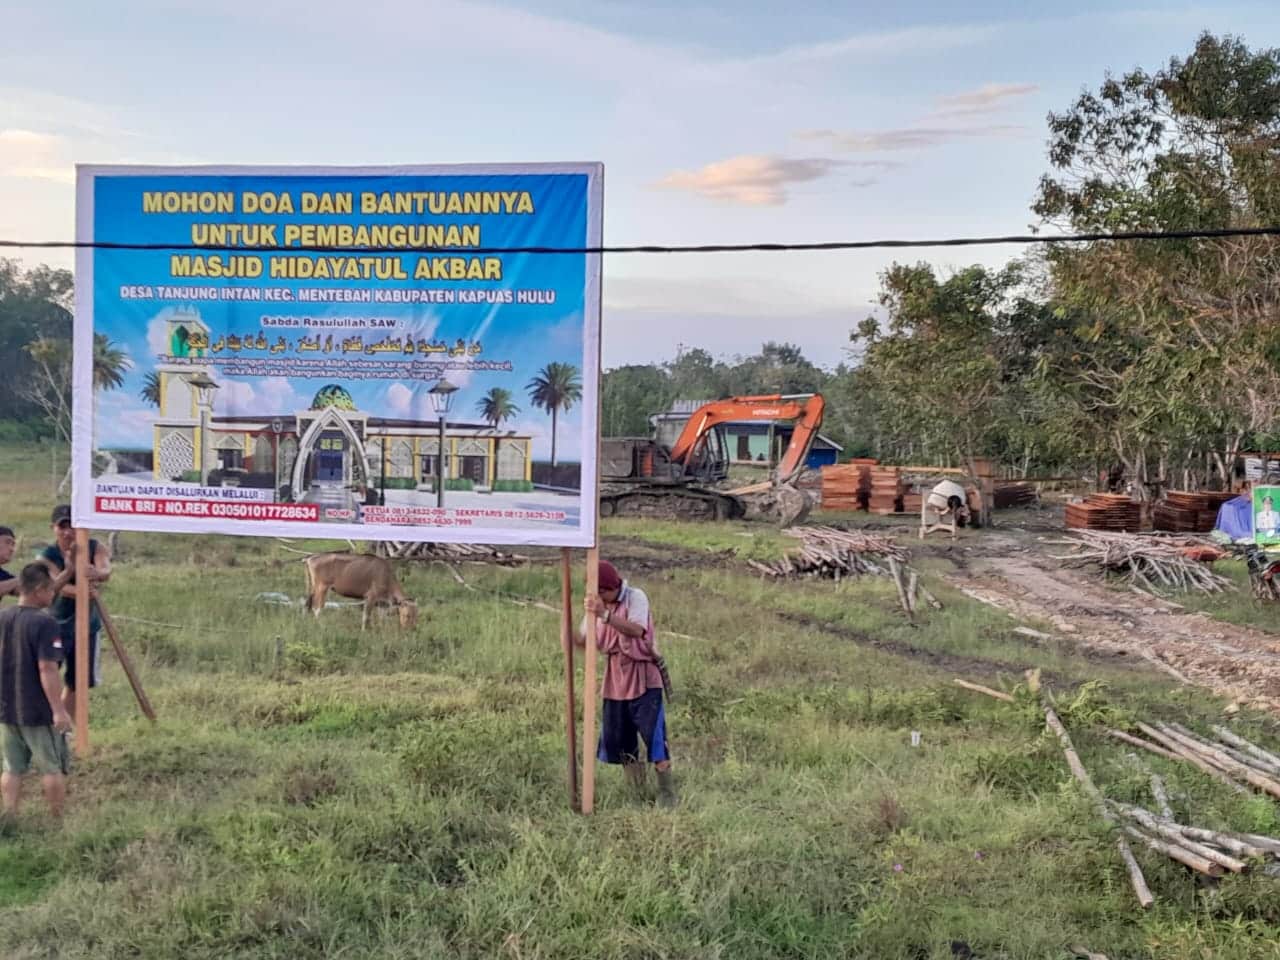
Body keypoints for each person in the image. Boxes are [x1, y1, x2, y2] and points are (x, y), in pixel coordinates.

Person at [575, 560, 677, 808]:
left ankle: (667, 796)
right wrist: (572, 635)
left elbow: (637, 630)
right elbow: (585, 640)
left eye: (601, 592)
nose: (599, 598)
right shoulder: (595, 607)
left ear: (610, 588)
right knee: (621, 739)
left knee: (654, 738)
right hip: (615, 680)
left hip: (643, 677)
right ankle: (637, 794)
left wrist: (605, 615)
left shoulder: (635, 597)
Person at [1, 564, 74, 819]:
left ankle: (9, 816)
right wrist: (58, 710)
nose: (54, 593)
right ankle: (57, 820)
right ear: (40, 590)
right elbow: (47, 668)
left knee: (12, 767)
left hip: (7, 707)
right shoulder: (45, 622)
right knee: (52, 767)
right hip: (37, 710)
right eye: (51, 589)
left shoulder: (3, 617)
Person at [37, 506, 111, 726]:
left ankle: (64, 730)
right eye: (62, 526)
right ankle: (45, 722)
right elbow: (54, 585)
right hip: (54, 626)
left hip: (88, 626)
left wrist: (98, 573)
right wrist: (82, 591)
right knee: (47, 674)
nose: (68, 532)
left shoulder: (94, 546)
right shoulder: (46, 556)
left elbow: (105, 569)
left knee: (79, 681)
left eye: (72, 526)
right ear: (53, 528)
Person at [0, 526, 16, 602]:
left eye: (13, 545)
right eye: (7, 542)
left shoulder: (2, 575)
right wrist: (22, 579)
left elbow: (23, 590)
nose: (12, 549)